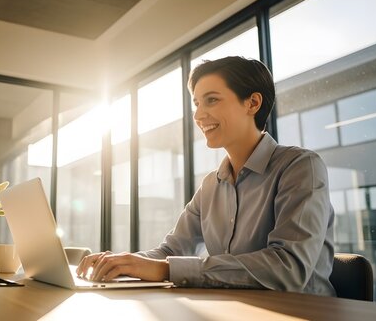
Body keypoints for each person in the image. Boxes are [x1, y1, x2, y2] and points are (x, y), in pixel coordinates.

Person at [76, 56, 336, 296]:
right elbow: (171, 251)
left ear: (253, 103)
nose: (199, 115)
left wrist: (165, 268)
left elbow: (288, 267)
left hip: (301, 312)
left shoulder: (300, 167)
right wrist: (119, 262)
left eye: (211, 100)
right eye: (197, 103)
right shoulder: (211, 184)